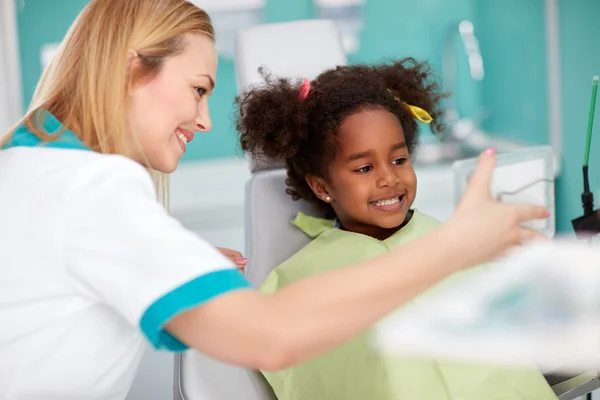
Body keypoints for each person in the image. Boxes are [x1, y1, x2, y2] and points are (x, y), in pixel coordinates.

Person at [0, 1, 548, 399]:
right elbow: (271, 336)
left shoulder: (32, 170)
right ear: (131, 66)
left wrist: (168, 261)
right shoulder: (90, 189)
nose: (204, 118)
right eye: (198, 88)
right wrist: (454, 247)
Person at [236, 59, 557, 400]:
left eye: (399, 160)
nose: (389, 178)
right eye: (364, 167)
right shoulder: (297, 282)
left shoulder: (454, 241)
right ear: (321, 186)